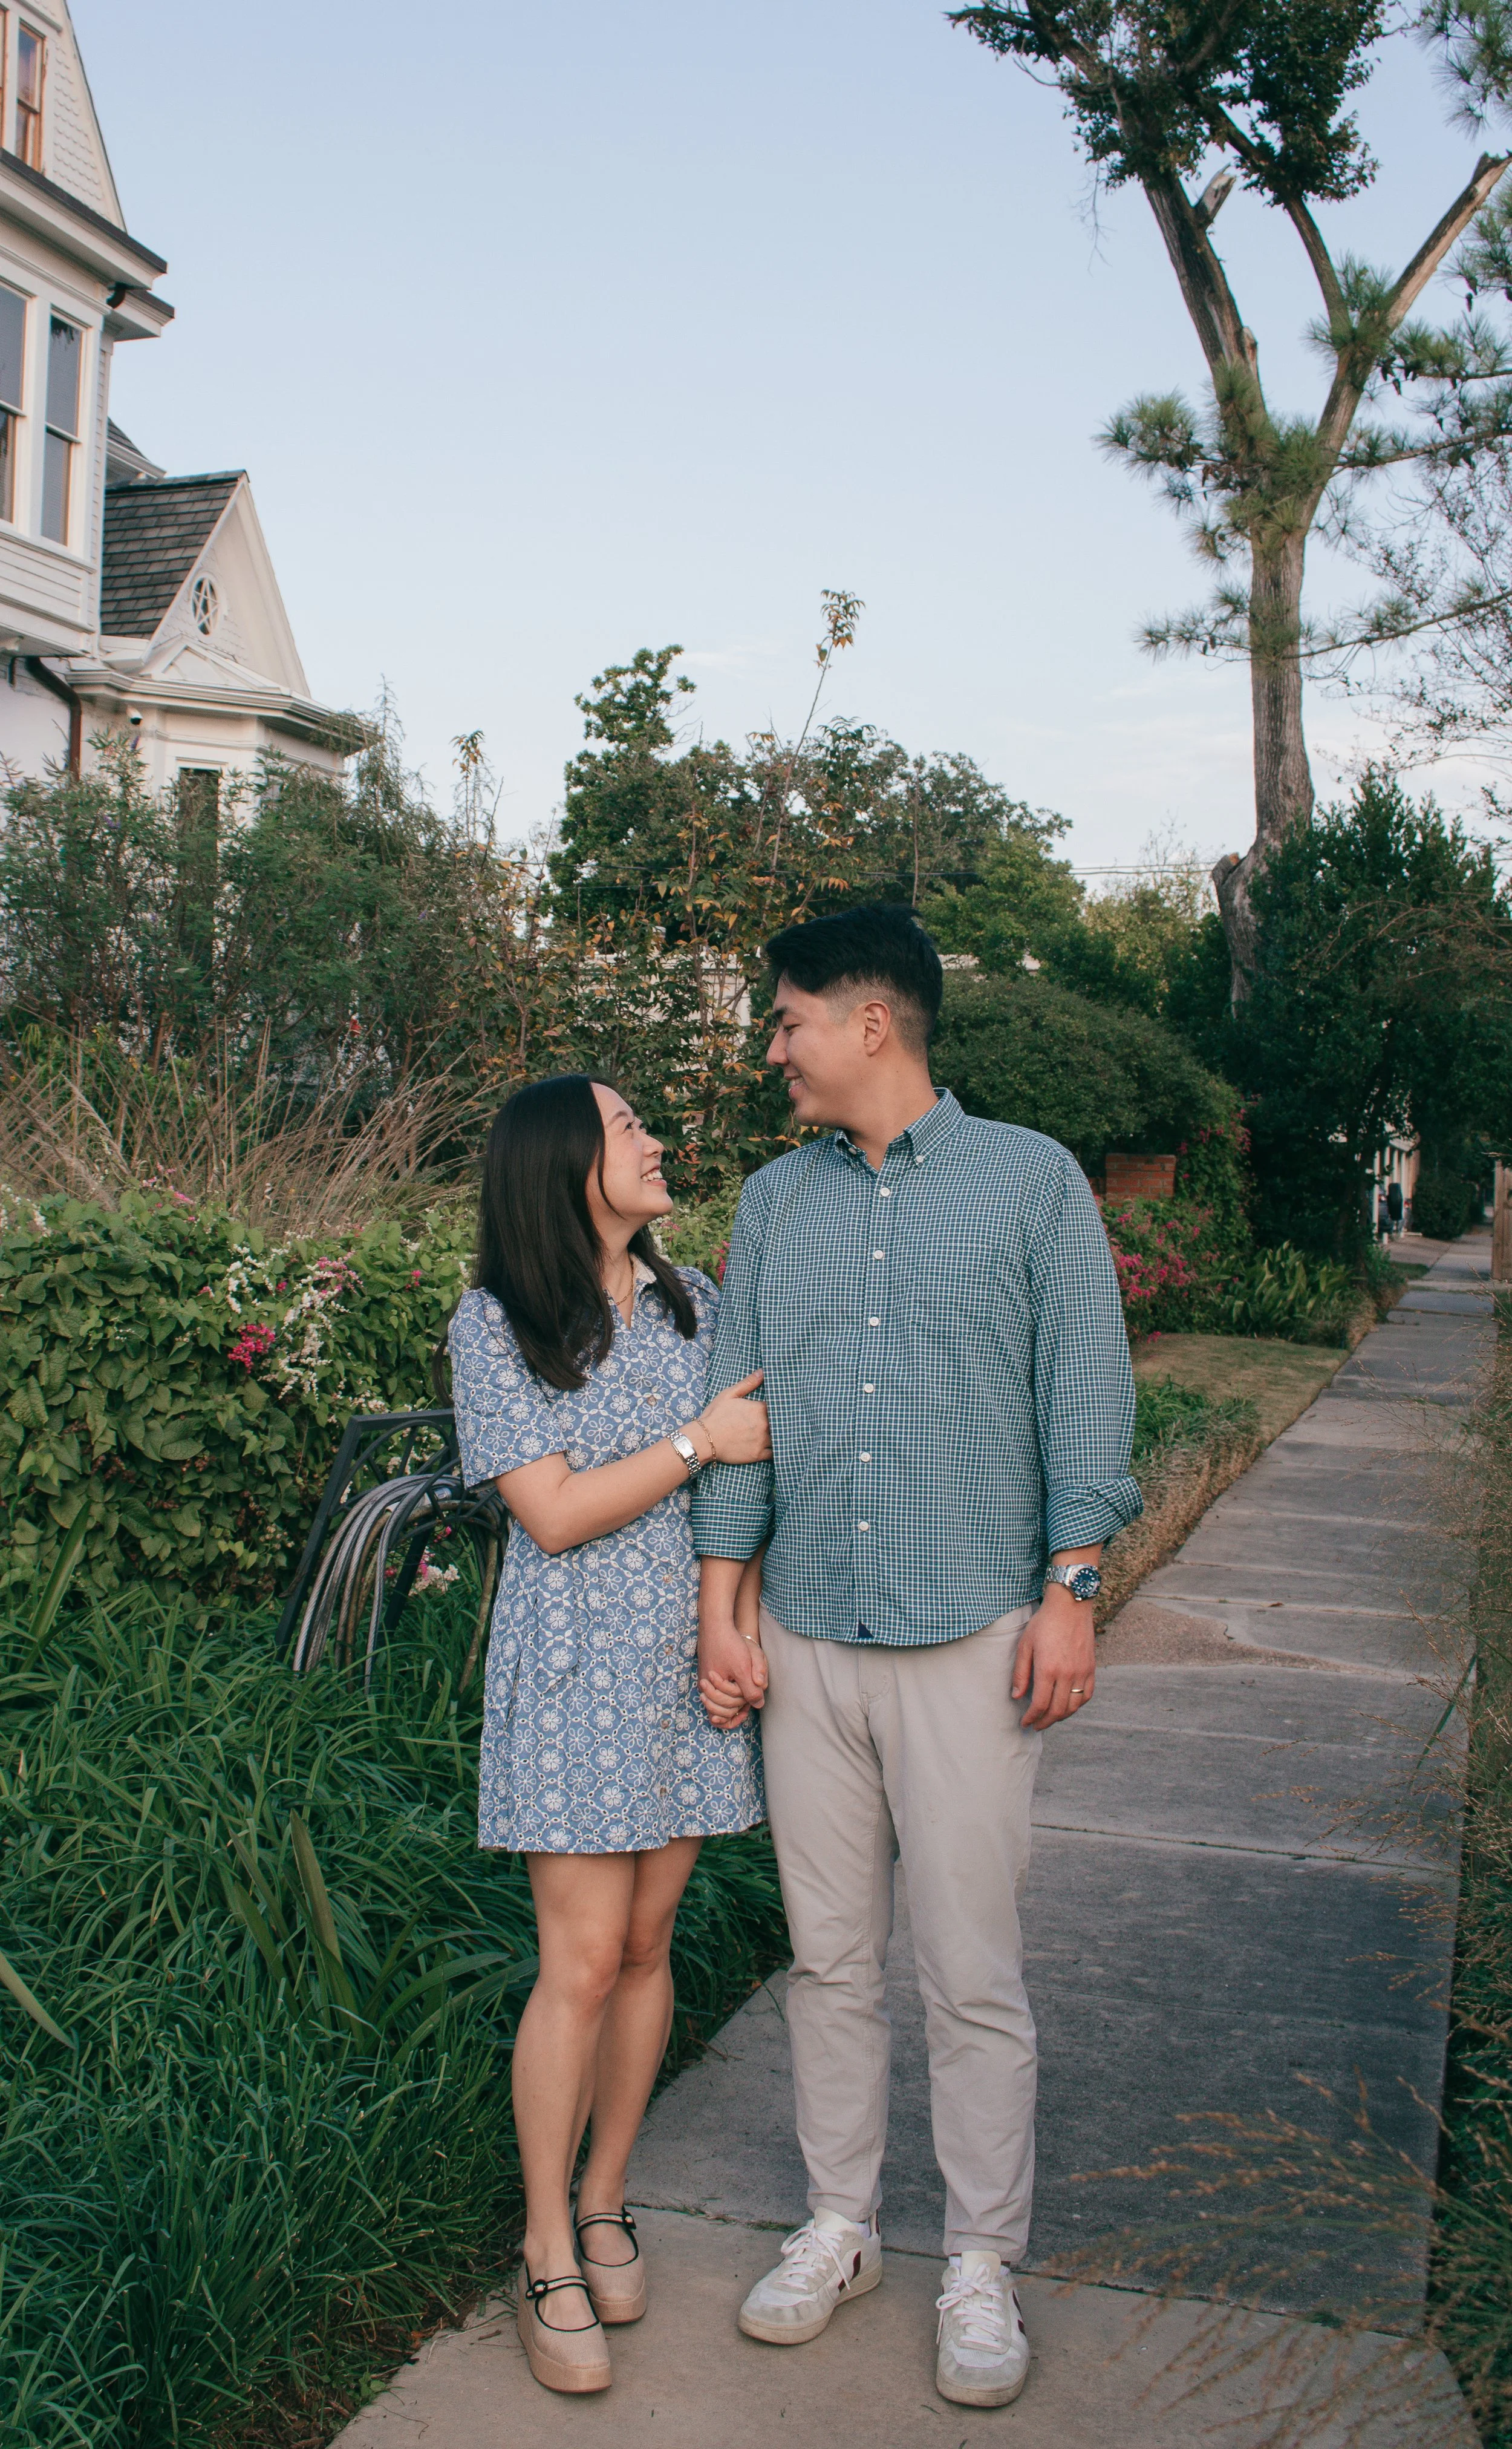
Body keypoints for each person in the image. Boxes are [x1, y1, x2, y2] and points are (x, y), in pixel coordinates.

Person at [691, 907, 1141, 2412]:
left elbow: (1085, 1392)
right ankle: (838, 2226)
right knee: (827, 1958)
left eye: (787, 1021)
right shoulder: (771, 1202)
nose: (775, 1048)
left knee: (968, 1968)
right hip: (807, 1634)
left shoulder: (1028, 1183)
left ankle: (977, 2258)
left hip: (971, 1639)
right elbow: (737, 1413)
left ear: (869, 1023)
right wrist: (720, 1604)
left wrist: (1071, 1586)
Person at [446, 1075, 769, 2397]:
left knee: (646, 1945)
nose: (653, 1142)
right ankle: (541, 2250)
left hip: (680, 1663)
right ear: (562, 1164)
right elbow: (555, 1511)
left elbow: (744, 1488)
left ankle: (605, 2197)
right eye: (627, 1127)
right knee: (576, 1959)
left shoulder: (692, 1297)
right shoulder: (497, 1321)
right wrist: (698, 1436)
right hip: (573, 1669)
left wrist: (733, 1624)